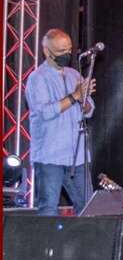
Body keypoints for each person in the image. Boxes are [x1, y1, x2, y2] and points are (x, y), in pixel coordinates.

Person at [25, 28, 96, 216]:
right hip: (50, 157)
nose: (67, 55)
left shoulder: (75, 74)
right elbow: (46, 112)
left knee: (88, 208)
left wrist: (84, 102)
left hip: (77, 156)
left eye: (69, 50)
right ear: (47, 52)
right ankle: (47, 246)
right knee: (48, 209)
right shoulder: (37, 79)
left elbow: (89, 110)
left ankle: (84, 244)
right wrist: (74, 96)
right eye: (61, 51)